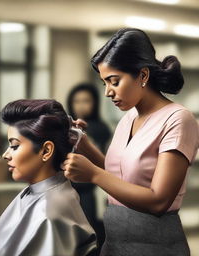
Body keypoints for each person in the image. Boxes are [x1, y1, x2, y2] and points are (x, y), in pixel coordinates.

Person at [62, 28, 199, 256]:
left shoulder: (178, 119)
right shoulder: (129, 118)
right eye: (104, 83)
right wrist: (83, 143)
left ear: (143, 76)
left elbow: (159, 200)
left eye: (114, 81)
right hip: (114, 243)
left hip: (157, 247)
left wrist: (93, 175)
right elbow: (120, 176)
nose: (107, 92)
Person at [0, 99, 97, 256]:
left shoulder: (50, 213)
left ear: (46, 151)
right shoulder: (35, 193)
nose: (5, 155)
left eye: (14, 146)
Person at [67, 83, 111, 253]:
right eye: (77, 101)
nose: (81, 105)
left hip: (92, 191)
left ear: (95, 103)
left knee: (92, 236)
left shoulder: (102, 130)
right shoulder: (66, 128)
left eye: (86, 100)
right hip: (69, 189)